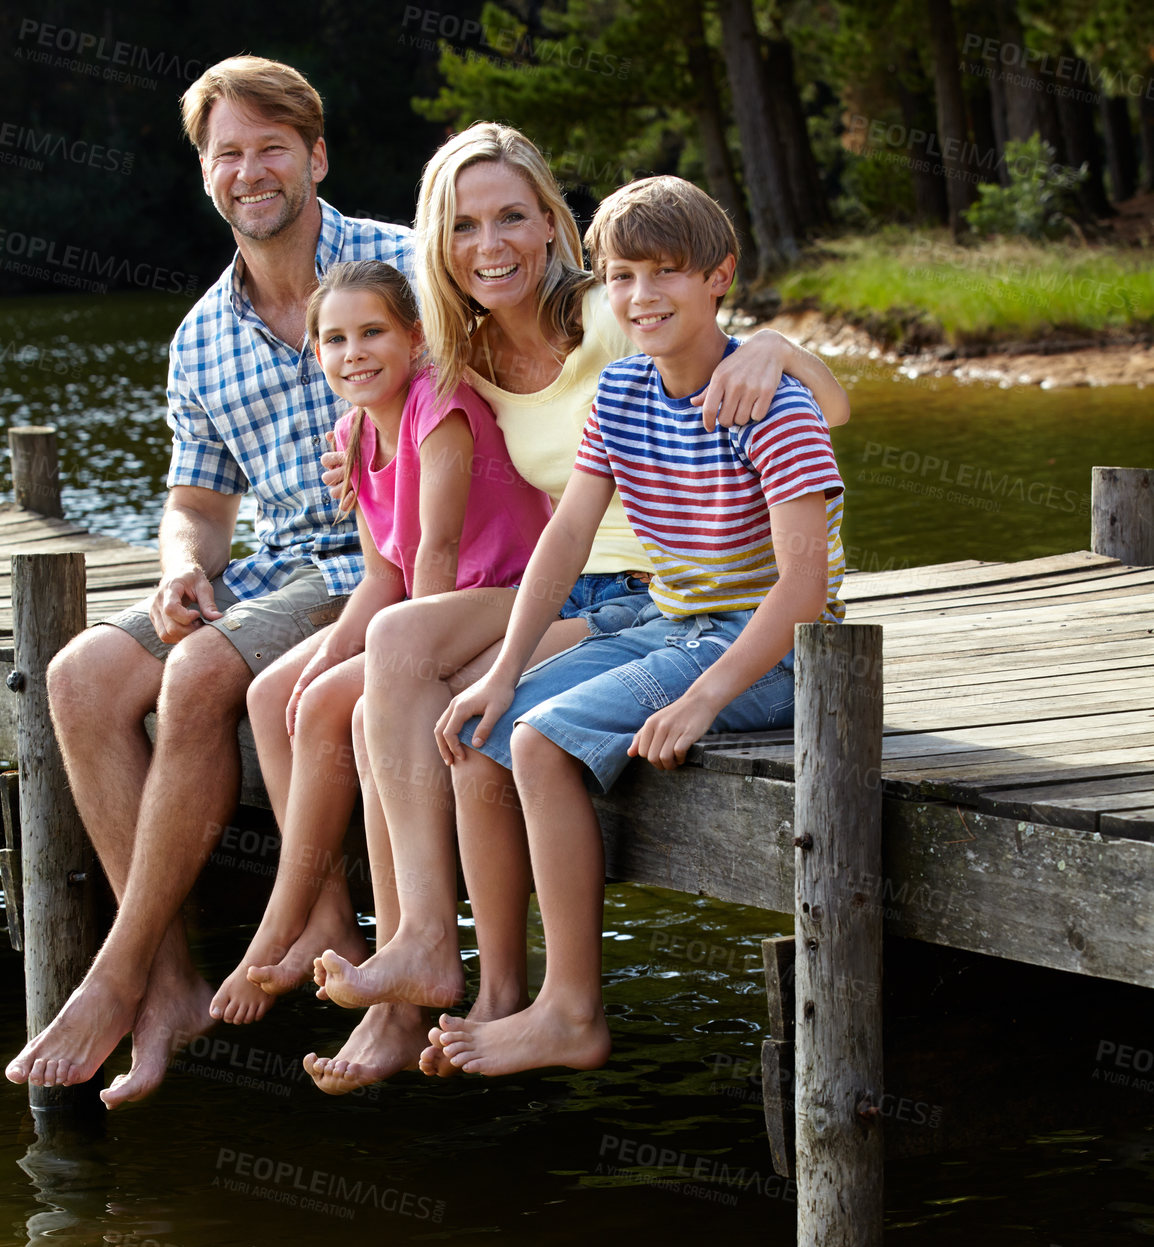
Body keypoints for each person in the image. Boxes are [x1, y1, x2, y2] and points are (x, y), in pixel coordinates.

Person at [307, 123, 851, 1093]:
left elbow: (804, 543)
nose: (491, 242)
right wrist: (363, 434)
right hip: (637, 606)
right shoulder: (512, 364)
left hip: (696, 614)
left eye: (511, 216)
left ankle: (556, 1001)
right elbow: (550, 527)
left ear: (551, 226)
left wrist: (769, 345)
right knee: (450, 714)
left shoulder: (659, 341)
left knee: (515, 731)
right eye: (467, 224)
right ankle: (451, 958)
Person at [4, 56, 414, 1106]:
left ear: (315, 156)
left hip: (384, 560)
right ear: (204, 174)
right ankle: (174, 980)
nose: (249, 170)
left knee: (197, 680)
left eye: (271, 146)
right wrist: (184, 567)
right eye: (226, 153)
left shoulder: (408, 265)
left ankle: (114, 972)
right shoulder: (200, 338)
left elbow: (532, 367)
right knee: (80, 677)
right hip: (273, 566)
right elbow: (196, 501)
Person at [207, 259, 551, 1026]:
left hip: (503, 597)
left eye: (372, 333)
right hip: (428, 610)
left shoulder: (439, 404)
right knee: (276, 695)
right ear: (317, 353)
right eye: (334, 339)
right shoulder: (355, 431)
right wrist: (330, 653)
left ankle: (281, 925)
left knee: (344, 702)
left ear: (415, 336)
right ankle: (329, 922)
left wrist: (391, 668)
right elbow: (378, 578)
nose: (352, 352)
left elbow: (435, 551)